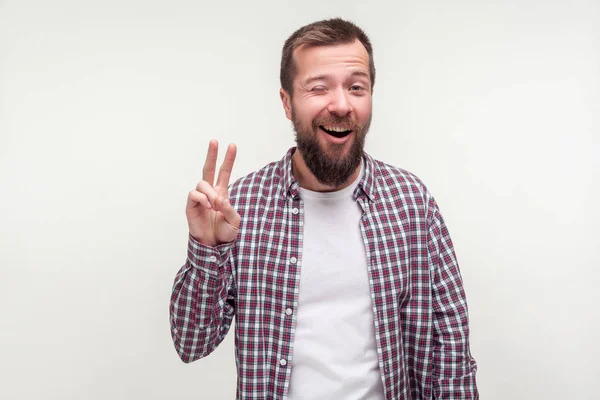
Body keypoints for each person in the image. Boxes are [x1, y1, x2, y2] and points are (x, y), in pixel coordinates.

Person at [170, 18, 478, 400]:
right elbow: (190, 343)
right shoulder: (240, 207)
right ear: (287, 103)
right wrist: (206, 249)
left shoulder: (412, 202)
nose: (342, 104)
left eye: (356, 87)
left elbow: (451, 348)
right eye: (319, 88)